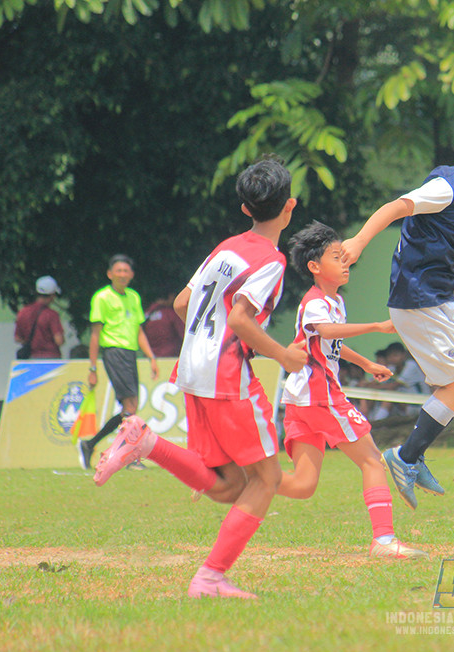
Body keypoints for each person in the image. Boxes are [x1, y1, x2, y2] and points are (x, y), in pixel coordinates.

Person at [92, 158, 309, 599]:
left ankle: (146, 442)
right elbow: (241, 319)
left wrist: (211, 338)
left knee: (230, 486)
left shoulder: (226, 248)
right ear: (290, 206)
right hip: (226, 374)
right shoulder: (271, 260)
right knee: (266, 480)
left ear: (245, 209)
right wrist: (285, 355)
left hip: (193, 369)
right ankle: (210, 577)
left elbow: (181, 302)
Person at [340, 120, 454, 510]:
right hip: (418, 301)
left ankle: (411, 455)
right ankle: (405, 457)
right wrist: (358, 241)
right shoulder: (446, 189)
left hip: (436, 300)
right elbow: (396, 207)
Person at [278, 221, 425, 559]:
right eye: (336, 256)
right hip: (320, 395)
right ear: (315, 267)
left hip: (301, 398)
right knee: (373, 460)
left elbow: (331, 342)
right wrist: (376, 326)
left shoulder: (334, 302)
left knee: (302, 485)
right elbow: (327, 331)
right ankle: (384, 540)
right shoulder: (316, 302)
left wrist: (366, 364)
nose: (345, 262)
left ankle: (240, 477)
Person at [76, 256, 159, 470]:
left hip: (130, 354)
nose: (122, 274)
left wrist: (151, 357)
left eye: (126, 271)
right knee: (130, 407)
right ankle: (129, 457)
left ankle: (90, 444)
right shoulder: (102, 297)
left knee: (129, 409)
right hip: (113, 352)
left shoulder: (133, 297)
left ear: (131, 275)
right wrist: (92, 368)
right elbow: (95, 335)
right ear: (110, 274)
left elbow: (139, 331)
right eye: (118, 270)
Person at [14, 276, 65, 359]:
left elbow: (17, 338)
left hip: (31, 357)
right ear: (52, 295)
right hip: (51, 358)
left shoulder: (23, 312)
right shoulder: (52, 314)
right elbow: (59, 341)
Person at [143, 293, 185, 358]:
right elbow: (183, 334)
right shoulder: (170, 314)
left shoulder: (146, 314)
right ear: (170, 297)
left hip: (149, 357)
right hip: (170, 357)